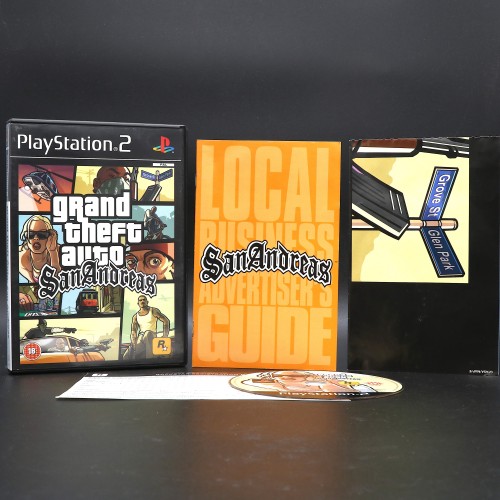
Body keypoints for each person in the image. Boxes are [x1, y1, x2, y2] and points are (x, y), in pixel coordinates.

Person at [123, 295, 170, 360]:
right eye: (140, 300)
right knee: (126, 356)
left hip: (151, 335)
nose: (142, 301)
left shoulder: (153, 310)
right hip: (141, 337)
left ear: (147, 302)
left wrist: (165, 335)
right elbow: (133, 331)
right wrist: (133, 341)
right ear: (138, 303)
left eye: (144, 300)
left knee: (147, 333)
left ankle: (151, 359)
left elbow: (166, 321)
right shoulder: (135, 316)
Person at [19, 215, 60, 282]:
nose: (36, 238)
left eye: (42, 234)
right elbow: (33, 285)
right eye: (31, 234)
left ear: (50, 236)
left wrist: (53, 251)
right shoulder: (22, 258)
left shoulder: (62, 252)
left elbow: (59, 280)